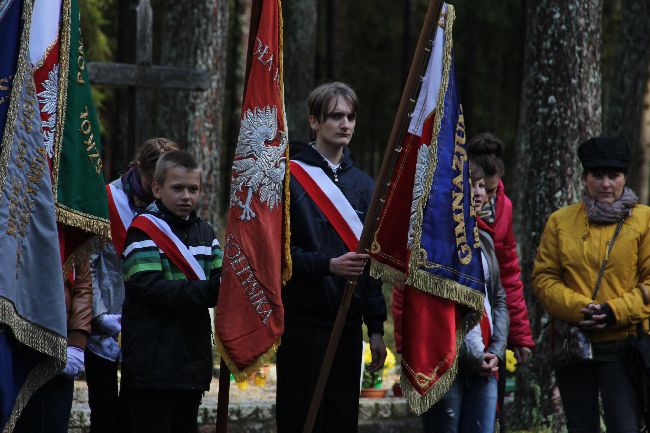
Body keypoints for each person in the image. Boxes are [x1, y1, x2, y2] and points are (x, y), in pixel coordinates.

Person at [276, 82, 387, 433]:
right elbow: (277, 254)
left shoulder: (366, 185)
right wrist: (326, 265)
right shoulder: (288, 178)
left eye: (351, 117)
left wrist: (377, 328)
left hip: (348, 326)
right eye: (336, 116)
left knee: (340, 420)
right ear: (314, 121)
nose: (346, 124)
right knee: (300, 415)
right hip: (303, 322)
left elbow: (371, 265)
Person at [533, 137, 650, 433]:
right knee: (581, 426)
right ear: (584, 178)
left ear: (625, 177)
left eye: (614, 175)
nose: (606, 183)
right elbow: (544, 278)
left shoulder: (645, 220)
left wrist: (614, 311)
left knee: (624, 427)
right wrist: (580, 308)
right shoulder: (560, 221)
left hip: (626, 348)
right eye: (597, 175)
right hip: (575, 345)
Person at [120, 150, 223, 433]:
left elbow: (223, 282)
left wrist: (220, 287)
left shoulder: (206, 232)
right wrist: (210, 290)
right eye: (177, 188)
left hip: (191, 363)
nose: (186, 196)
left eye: (193, 189)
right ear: (157, 188)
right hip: (152, 365)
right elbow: (151, 289)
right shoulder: (142, 232)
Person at [85, 138, 179, 433]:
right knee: (104, 414)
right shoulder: (106, 200)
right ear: (139, 169)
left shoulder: (172, 206)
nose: (157, 189)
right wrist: (99, 316)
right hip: (105, 322)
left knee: (139, 415)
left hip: (149, 327)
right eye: (154, 181)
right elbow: (88, 263)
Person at [421, 161, 509, 433]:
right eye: (471, 185)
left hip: (485, 359)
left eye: (482, 185)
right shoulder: (434, 244)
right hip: (447, 364)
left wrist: (496, 349)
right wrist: (472, 355)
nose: (480, 192)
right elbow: (435, 313)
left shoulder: (485, 239)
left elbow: (498, 300)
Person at [467, 133, 534, 432]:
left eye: (493, 190)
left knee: (493, 416)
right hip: (458, 329)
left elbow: (509, 275)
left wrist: (519, 336)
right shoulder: (452, 210)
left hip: (494, 327)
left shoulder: (503, 207)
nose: (488, 198)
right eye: (482, 189)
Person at [14, 261, 93, 433]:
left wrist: (77, 341)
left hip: (59, 344)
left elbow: (83, 285)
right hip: (15, 343)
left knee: (52, 420)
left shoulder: (71, 235)